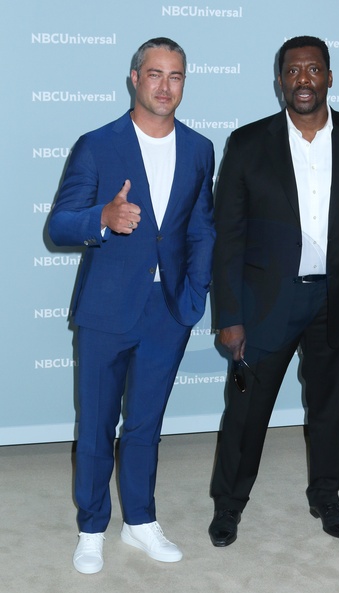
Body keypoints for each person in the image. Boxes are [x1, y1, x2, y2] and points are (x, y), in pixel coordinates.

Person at [208, 35, 339, 547]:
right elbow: (228, 238)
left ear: (329, 78)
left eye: (313, 69)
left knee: (330, 407)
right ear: (280, 82)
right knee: (247, 410)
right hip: (266, 303)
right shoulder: (248, 143)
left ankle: (327, 496)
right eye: (292, 71)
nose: (303, 80)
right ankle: (229, 505)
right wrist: (229, 314)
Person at [49, 37, 215, 574]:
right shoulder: (98, 145)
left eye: (176, 76)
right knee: (96, 424)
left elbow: (202, 229)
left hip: (167, 311)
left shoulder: (199, 149)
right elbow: (59, 223)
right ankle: (91, 527)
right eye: (155, 74)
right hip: (105, 310)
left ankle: (140, 520)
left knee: (145, 424)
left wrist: (195, 292)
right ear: (134, 78)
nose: (165, 86)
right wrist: (102, 217)